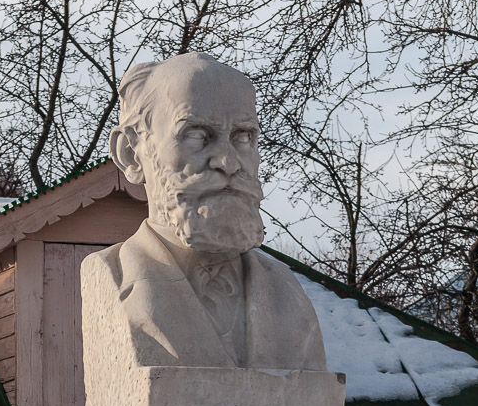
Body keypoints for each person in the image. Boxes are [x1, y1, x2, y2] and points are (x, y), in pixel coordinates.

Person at [89, 51, 326, 371]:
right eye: (197, 135)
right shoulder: (111, 276)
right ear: (131, 153)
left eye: (243, 136)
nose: (227, 162)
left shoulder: (289, 294)